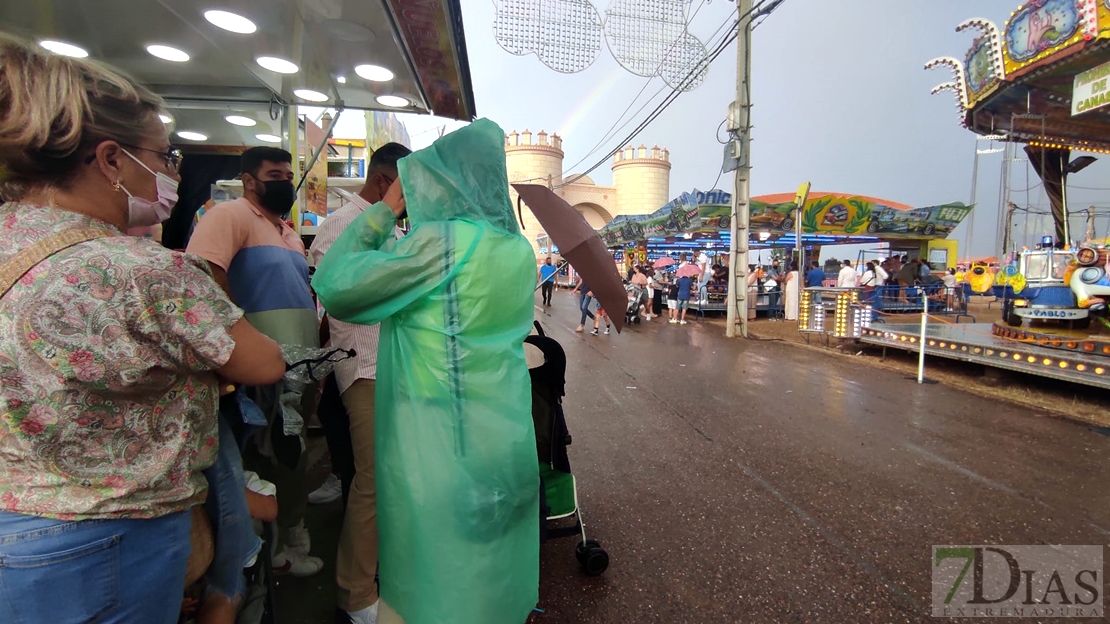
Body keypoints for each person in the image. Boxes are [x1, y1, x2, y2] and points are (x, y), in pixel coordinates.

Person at [0, 35, 286, 623]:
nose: (170, 172)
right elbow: (263, 363)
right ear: (110, 160)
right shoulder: (140, 270)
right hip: (109, 536)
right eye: (163, 157)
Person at [312, 119, 539, 624]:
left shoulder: (443, 243)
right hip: (499, 424)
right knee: (491, 547)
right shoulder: (517, 249)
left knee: (437, 561)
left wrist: (382, 212)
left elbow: (337, 286)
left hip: (438, 432)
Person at [186, 146, 324, 577]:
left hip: (299, 370)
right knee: (262, 460)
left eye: (288, 174)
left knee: (292, 456)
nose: (284, 182)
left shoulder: (288, 233)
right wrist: (238, 346)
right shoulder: (230, 217)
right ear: (249, 180)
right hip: (256, 374)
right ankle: (261, 558)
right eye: (274, 174)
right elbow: (204, 276)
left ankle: (289, 539)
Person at [308, 142, 412, 624]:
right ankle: (354, 596)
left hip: (388, 368)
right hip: (363, 368)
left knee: (386, 480)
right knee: (370, 482)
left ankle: (377, 574)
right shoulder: (343, 224)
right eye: (406, 189)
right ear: (385, 182)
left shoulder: (386, 226)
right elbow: (332, 298)